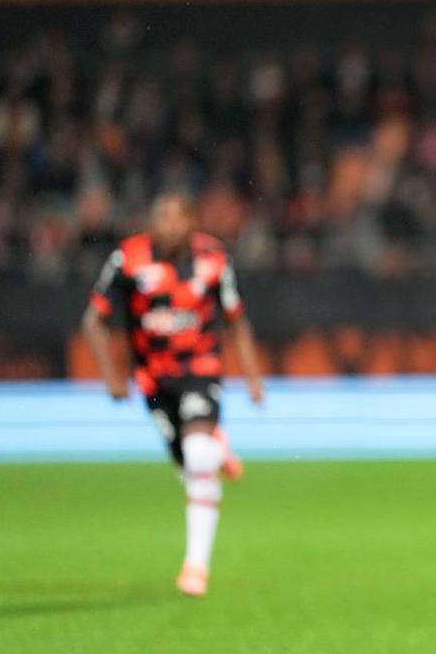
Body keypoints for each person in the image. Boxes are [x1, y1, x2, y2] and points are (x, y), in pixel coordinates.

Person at [82, 191, 265, 597]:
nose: (167, 225)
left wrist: (253, 379)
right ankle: (218, 448)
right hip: (153, 380)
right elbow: (93, 320)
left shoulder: (213, 259)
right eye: (160, 216)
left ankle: (196, 566)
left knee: (197, 459)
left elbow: (236, 319)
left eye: (175, 217)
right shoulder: (127, 259)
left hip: (200, 371)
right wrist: (111, 377)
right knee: (189, 467)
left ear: (191, 221)